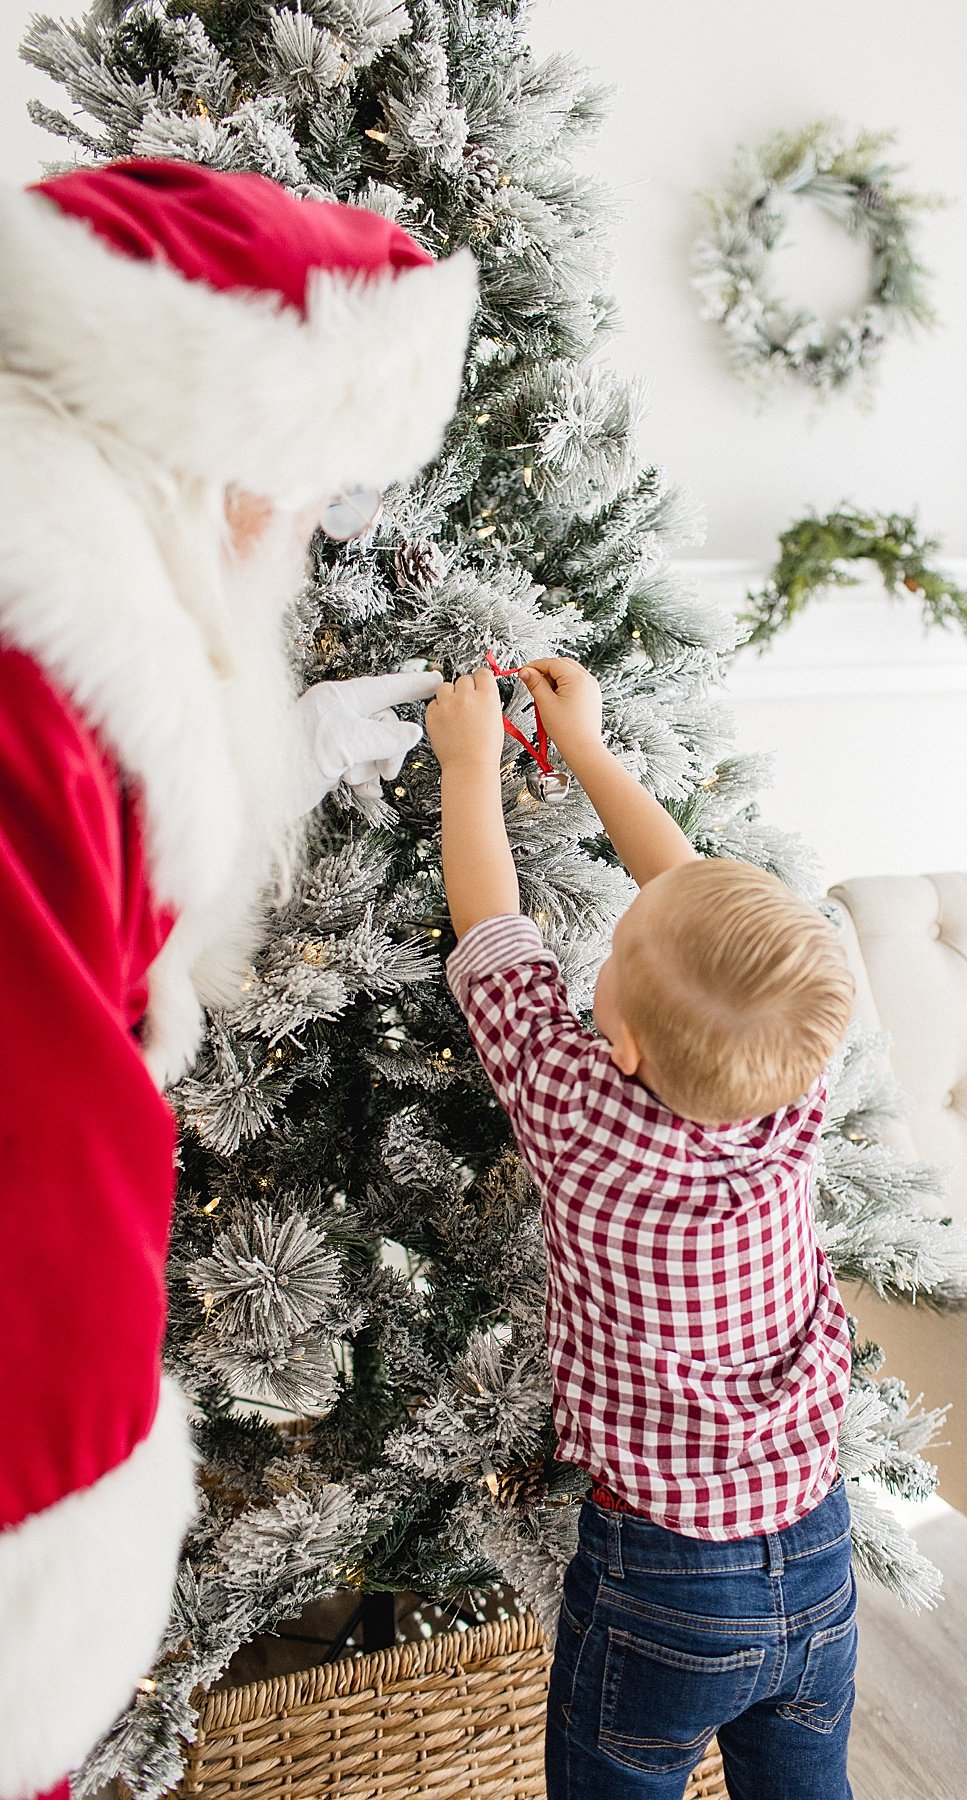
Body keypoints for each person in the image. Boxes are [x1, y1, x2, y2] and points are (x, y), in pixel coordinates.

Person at [0, 159, 475, 1800]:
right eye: (306, 487)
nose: (300, 543)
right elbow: (37, 1188)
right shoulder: (44, 699)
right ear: (219, 466)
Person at [425, 657, 859, 1800]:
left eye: (610, 958)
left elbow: (494, 932)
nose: (599, 960)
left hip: (660, 1578)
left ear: (620, 1042)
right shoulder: (800, 1081)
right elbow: (699, 903)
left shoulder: (576, 1110)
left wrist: (470, 762)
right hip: (816, 1547)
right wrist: (595, 753)